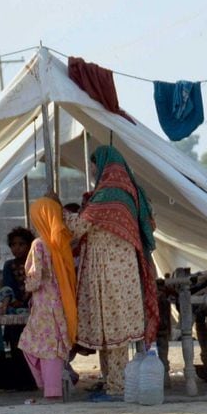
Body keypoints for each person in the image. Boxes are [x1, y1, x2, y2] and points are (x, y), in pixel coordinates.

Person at [64, 145, 159, 398]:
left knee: (114, 329)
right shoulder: (130, 193)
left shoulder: (110, 195)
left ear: (105, 164)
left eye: (94, 164)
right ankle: (112, 382)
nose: (92, 169)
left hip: (109, 270)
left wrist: (59, 211)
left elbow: (79, 227)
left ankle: (117, 386)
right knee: (112, 329)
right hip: (119, 268)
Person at [17, 198, 78, 402]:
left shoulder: (39, 244)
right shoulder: (60, 242)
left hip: (44, 304)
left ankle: (51, 389)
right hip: (59, 302)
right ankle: (55, 385)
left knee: (36, 345)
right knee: (51, 345)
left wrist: (26, 285)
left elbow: (34, 278)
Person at [0, 226, 35, 353]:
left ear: (29, 245)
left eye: (21, 244)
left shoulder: (35, 263)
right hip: (14, 306)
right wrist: (15, 301)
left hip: (33, 306)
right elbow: (8, 286)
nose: (17, 248)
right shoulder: (9, 265)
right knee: (16, 343)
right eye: (13, 245)